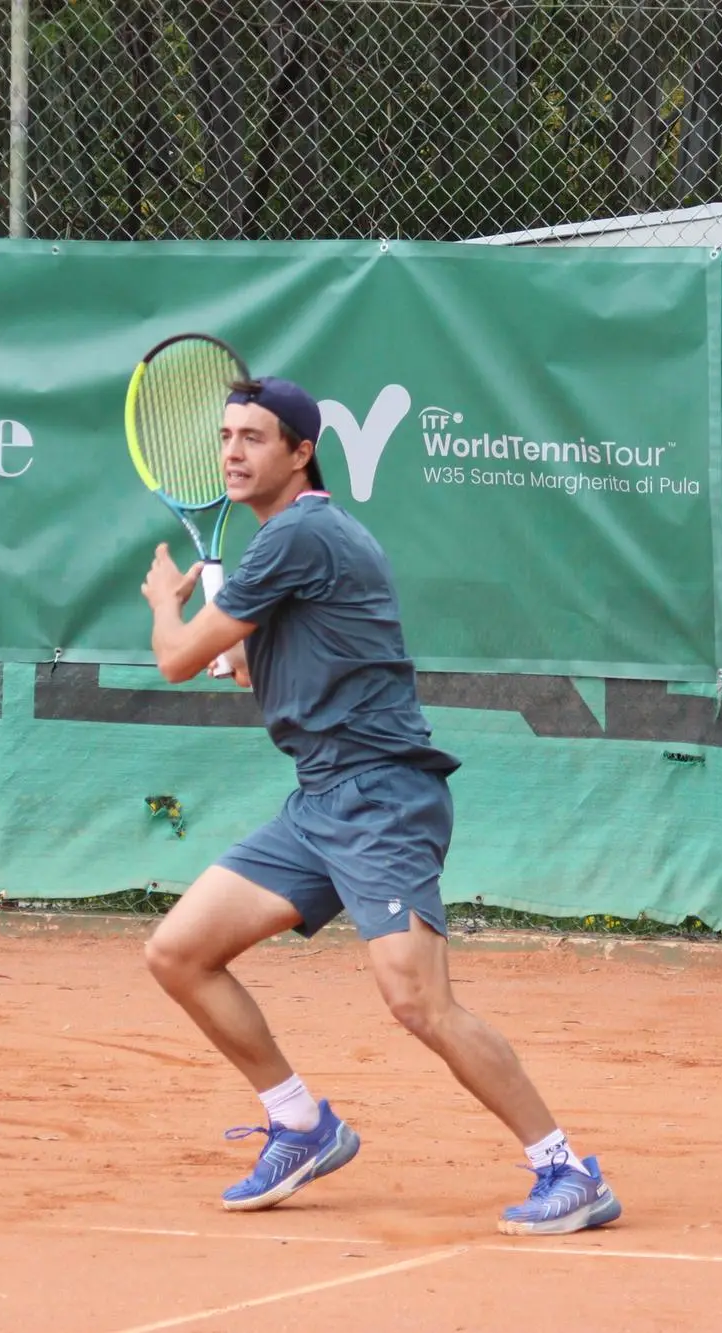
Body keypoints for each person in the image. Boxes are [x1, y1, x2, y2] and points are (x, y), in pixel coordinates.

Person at [138, 374, 621, 1236]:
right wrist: (235, 646)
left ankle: (566, 1169)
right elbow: (250, 668)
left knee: (418, 1003)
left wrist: (163, 609)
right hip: (319, 798)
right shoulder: (294, 542)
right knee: (178, 952)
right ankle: (298, 1122)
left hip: (379, 797)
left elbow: (174, 659)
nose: (233, 453)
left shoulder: (300, 534)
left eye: (253, 437)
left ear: (300, 451)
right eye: (225, 437)